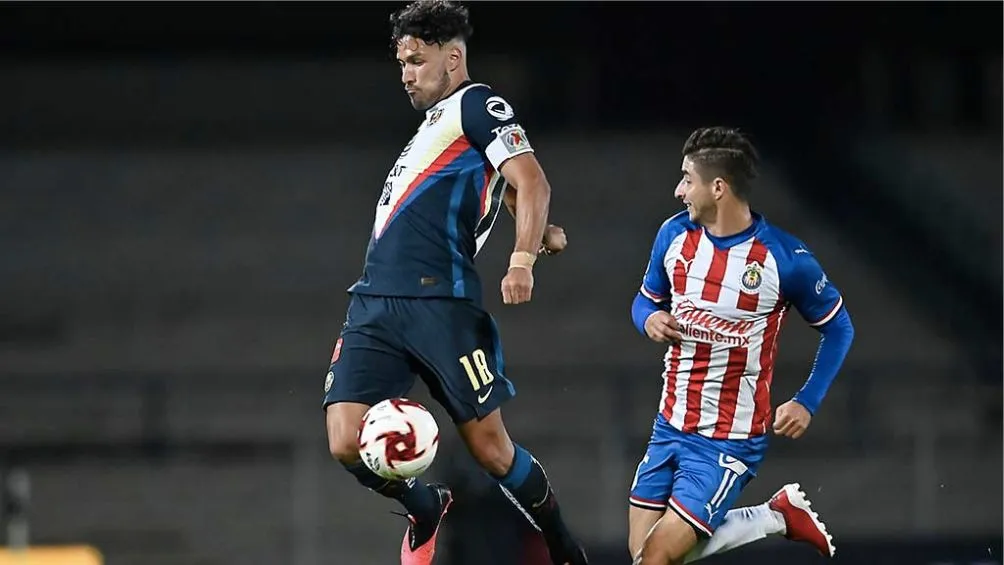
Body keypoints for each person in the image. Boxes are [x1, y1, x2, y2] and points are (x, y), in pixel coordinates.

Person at [321, 2, 588, 565]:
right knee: (345, 440)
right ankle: (425, 505)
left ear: (453, 58)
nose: (405, 75)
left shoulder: (477, 104)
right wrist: (537, 226)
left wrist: (522, 259)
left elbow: (530, 180)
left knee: (492, 451)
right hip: (374, 301)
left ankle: (561, 542)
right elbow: (493, 185)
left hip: (440, 301)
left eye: (416, 61)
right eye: (401, 63)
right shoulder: (435, 125)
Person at [627, 127, 855, 564]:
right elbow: (644, 301)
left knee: (656, 558)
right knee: (641, 556)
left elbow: (840, 328)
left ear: (718, 187)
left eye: (687, 179)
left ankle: (771, 519)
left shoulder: (784, 259)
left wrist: (807, 400)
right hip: (669, 422)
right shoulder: (673, 235)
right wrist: (649, 319)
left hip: (728, 439)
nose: (678, 191)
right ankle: (777, 514)